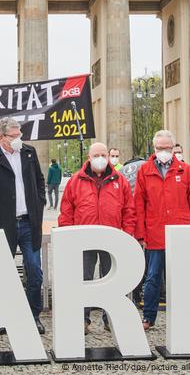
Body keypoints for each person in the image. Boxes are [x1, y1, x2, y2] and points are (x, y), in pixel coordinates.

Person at [58, 142, 135, 333]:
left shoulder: (120, 180)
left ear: (108, 157)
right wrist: (68, 236)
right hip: (84, 239)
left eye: (103, 154)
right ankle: (82, 320)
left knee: (113, 280)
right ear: (89, 158)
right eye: (96, 155)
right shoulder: (76, 180)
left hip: (113, 239)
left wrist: (127, 235)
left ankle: (112, 320)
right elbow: (66, 211)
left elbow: (129, 210)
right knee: (83, 280)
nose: (100, 158)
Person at [0, 117, 47, 335]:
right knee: (4, 273)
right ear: (2, 137)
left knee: (34, 271)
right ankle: (7, 317)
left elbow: (39, 181)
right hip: (4, 224)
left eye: (20, 135)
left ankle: (33, 316)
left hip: (29, 222)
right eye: (14, 136)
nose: (19, 139)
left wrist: (40, 204)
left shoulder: (29, 152)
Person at [134, 129, 190, 330]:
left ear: (173, 148)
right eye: (160, 148)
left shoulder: (188, 171)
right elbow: (139, 204)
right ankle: (149, 317)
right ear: (154, 148)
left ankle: (184, 315)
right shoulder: (144, 171)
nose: (164, 151)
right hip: (155, 234)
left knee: (181, 278)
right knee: (153, 278)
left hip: (181, 233)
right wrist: (140, 234)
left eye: (167, 148)